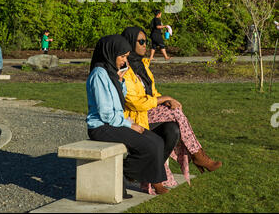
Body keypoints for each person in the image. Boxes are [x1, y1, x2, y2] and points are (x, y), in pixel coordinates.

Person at [121, 26, 222, 193]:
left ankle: (155, 177)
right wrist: (165, 99)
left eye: (146, 41)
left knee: (172, 130)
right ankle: (197, 155)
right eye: (141, 42)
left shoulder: (143, 66)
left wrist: (164, 101)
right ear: (131, 43)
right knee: (175, 112)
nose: (145, 45)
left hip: (148, 112)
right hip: (134, 116)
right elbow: (134, 103)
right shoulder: (124, 68)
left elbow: (152, 93)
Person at [86, 34, 169, 197]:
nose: (124, 61)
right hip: (102, 127)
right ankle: (119, 173)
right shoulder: (99, 75)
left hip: (114, 124)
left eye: (126, 57)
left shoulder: (111, 73)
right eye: (122, 56)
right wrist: (129, 124)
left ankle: (131, 175)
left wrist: (120, 81)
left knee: (157, 141)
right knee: (148, 146)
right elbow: (105, 113)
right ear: (110, 53)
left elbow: (119, 101)